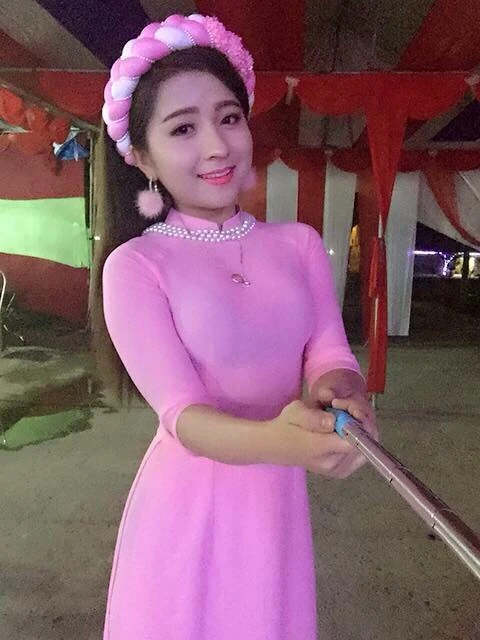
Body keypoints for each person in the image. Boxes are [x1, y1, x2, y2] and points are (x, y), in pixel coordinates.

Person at [91, 13, 378, 640]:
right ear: (142, 157)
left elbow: (330, 355)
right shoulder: (136, 265)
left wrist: (345, 395)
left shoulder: (299, 244)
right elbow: (183, 417)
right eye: (183, 128)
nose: (217, 146)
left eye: (228, 118)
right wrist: (283, 443)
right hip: (187, 514)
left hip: (275, 511)